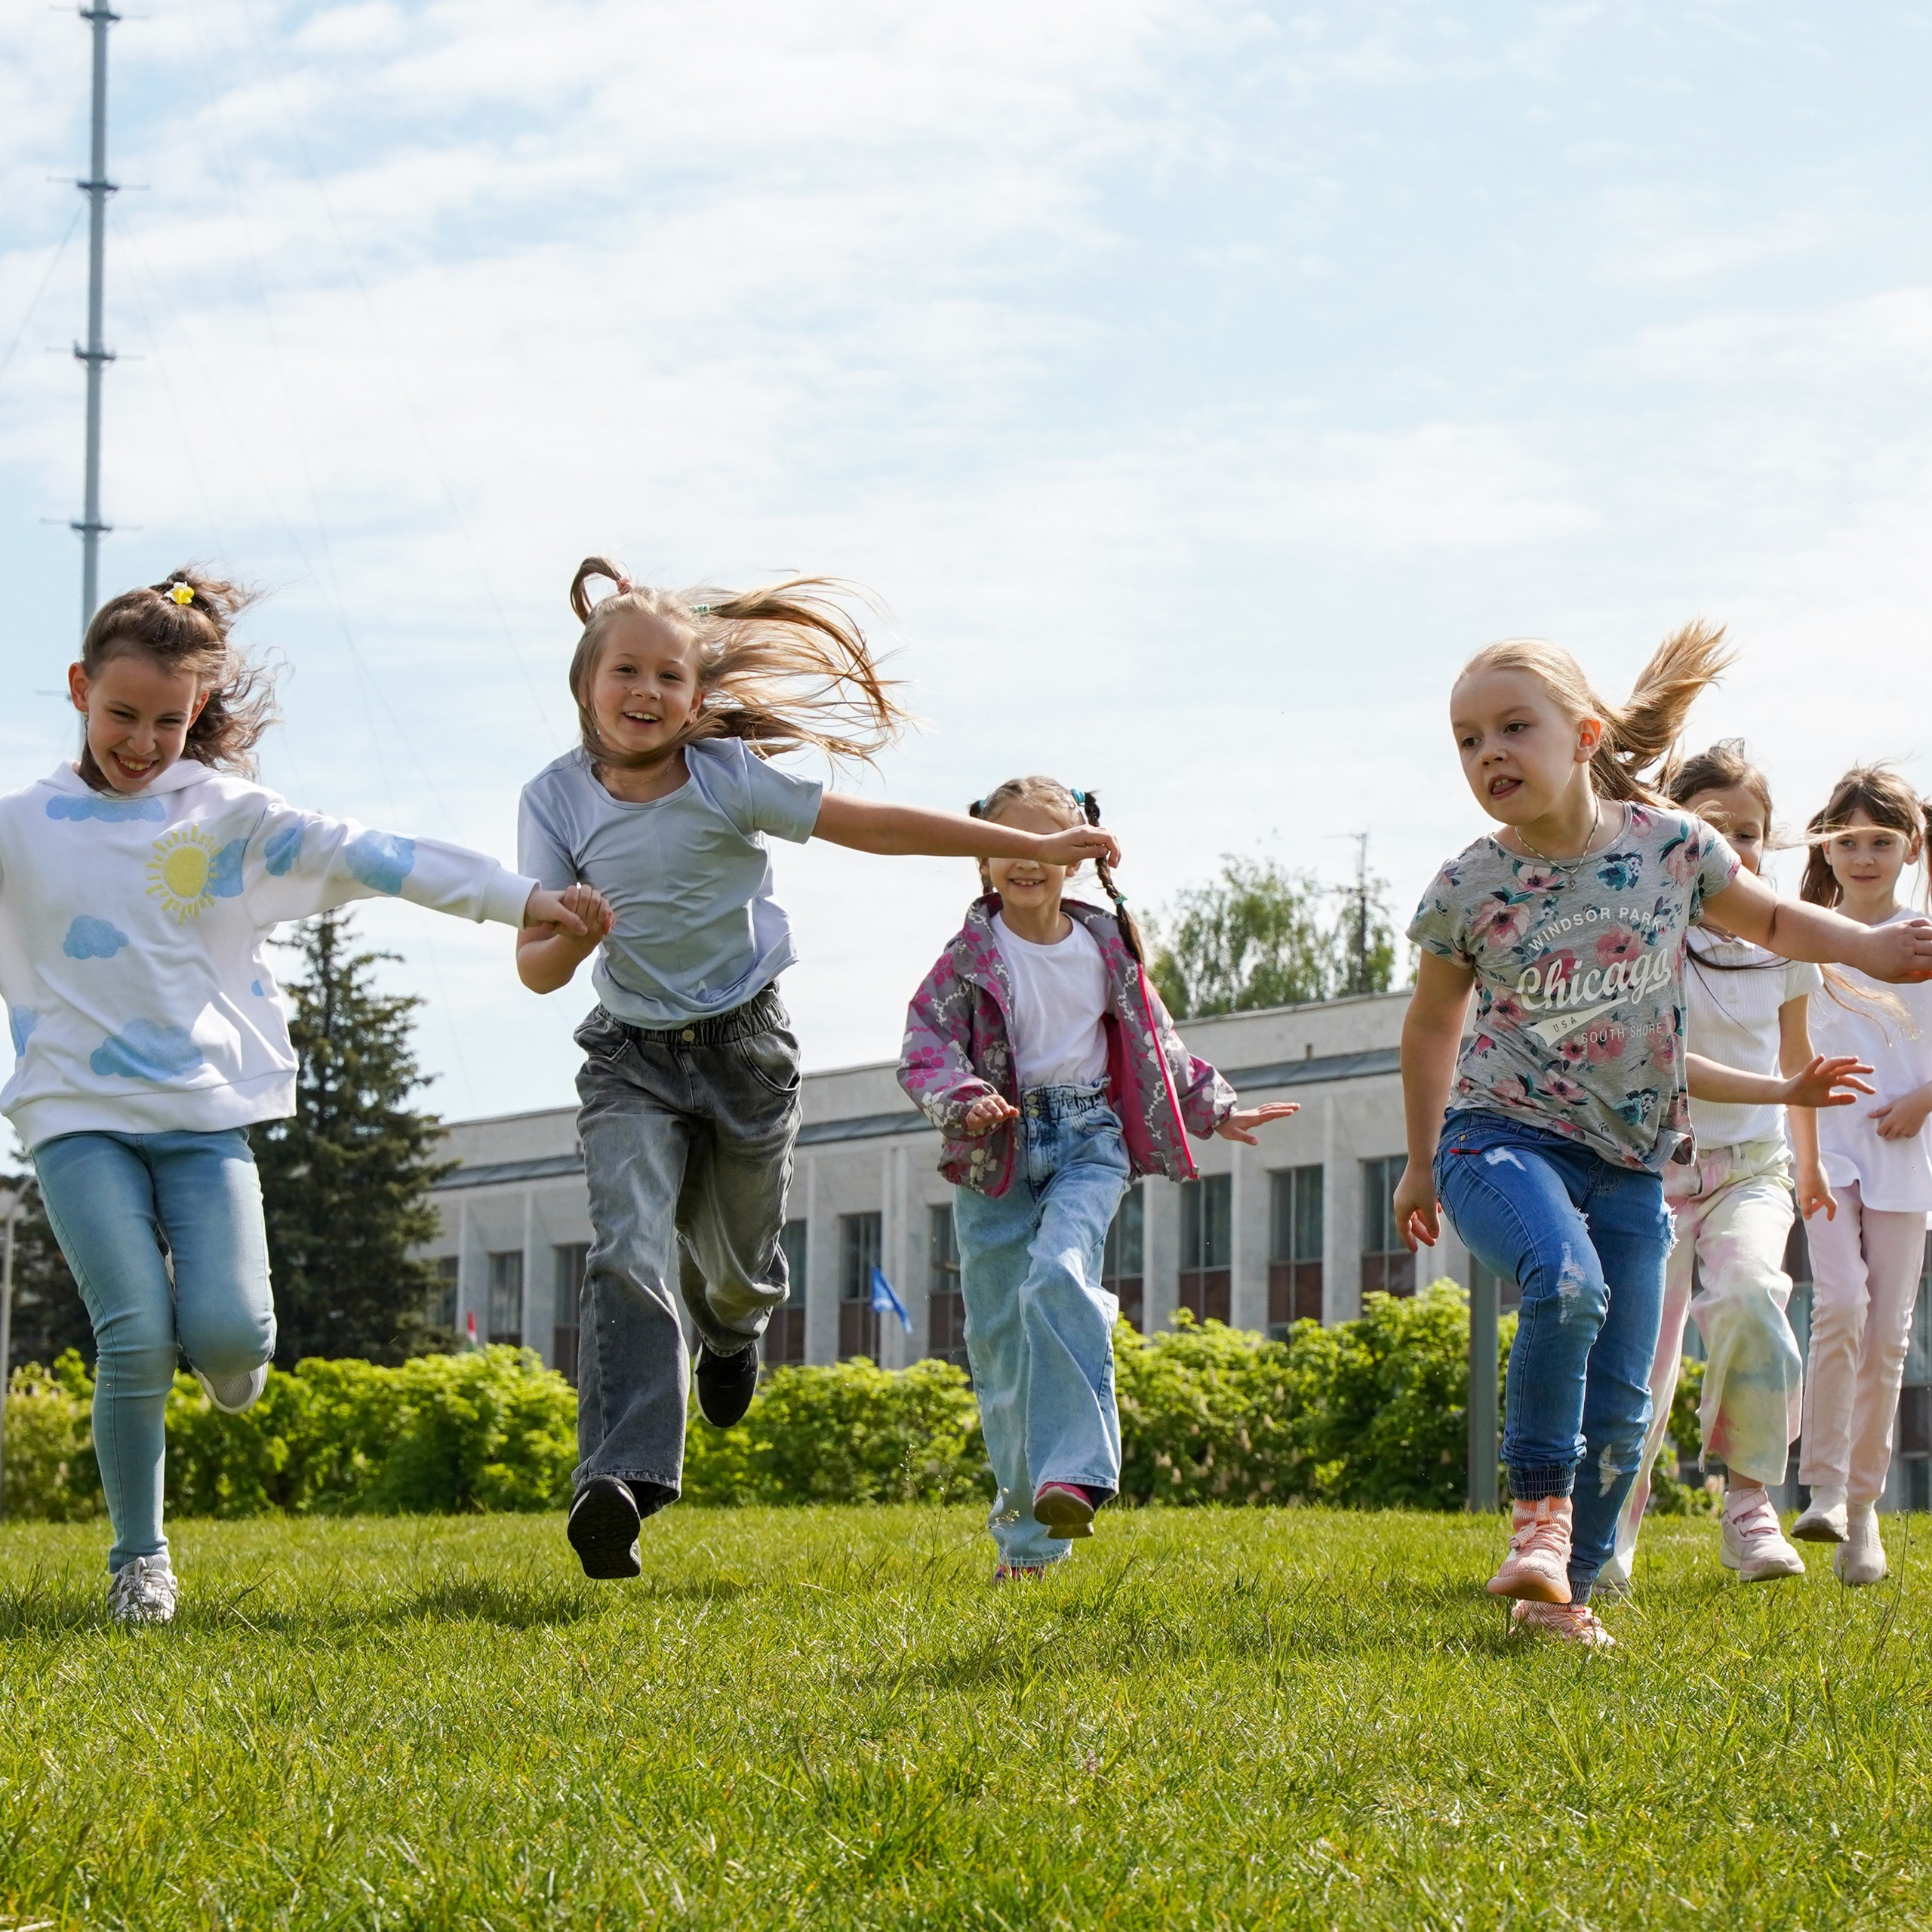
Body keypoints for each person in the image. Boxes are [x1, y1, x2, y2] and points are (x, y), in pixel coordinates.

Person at [2, 569, 598, 1626]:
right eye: (121, 716)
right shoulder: (22, 826)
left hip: (203, 1112)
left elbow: (381, 858)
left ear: (200, 715)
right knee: (135, 1335)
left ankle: (228, 1363)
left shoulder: (228, 817)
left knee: (232, 1338)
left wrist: (530, 900)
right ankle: (140, 1562)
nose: (142, 742)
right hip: (73, 1114)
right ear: (78, 689)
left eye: (169, 722)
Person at [518, 563, 1124, 1582]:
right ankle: (617, 1484)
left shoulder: (727, 777)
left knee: (737, 1267)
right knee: (627, 1245)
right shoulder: (553, 799)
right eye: (628, 670)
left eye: (671, 677)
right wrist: (570, 940)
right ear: (586, 685)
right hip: (629, 1059)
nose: (647, 692)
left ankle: (734, 1332)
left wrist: (1027, 840)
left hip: (744, 1050)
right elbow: (535, 971)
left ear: (697, 699)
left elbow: (876, 830)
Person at [1395, 625, 1932, 1647]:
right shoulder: (1468, 885)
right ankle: (1540, 1521)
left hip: (1634, 1163)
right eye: (1467, 741)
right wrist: (1421, 1161)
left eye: (1515, 728)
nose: (1489, 755)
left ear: (1585, 736)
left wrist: (1867, 942)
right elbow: (1430, 1024)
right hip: (1496, 1139)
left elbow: (1774, 925)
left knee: (1626, 1403)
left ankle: (1564, 1602)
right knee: (1568, 1282)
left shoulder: (1669, 848)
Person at [897, 776, 1299, 1580]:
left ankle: (1077, 1470)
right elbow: (923, 1047)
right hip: (996, 1153)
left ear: (1075, 856)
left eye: (1044, 843)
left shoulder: (1105, 945)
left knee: (1058, 1275)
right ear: (981, 860)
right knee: (1003, 1354)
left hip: (1089, 1140)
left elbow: (1158, 1044)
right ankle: (1027, 1548)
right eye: (1007, 845)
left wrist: (1215, 1108)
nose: (1026, 860)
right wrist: (964, 1096)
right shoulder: (965, 961)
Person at [1604, 742, 1874, 1591]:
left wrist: (1812, 1166)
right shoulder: (1648, 939)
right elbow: (1666, 1062)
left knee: (1757, 1299)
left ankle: (1748, 1503)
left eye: (1751, 832)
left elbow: (1797, 1066)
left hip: (1752, 1169)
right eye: (1716, 829)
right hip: (1651, 1171)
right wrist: (1783, 1085)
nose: (1738, 849)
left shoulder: (1785, 945)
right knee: (1639, 1361)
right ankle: (1608, 1534)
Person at [1789, 767, 1932, 1584]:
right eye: (1849, 841)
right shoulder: (1804, 935)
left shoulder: (1922, 935)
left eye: (1882, 840)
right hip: (1826, 1152)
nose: (1865, 855)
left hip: (1903, 1156)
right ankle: (1823, 1487)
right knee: (1838, 1300)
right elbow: (1788, 1049)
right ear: (1826, 847)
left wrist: (1920, 1099)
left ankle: (1864, 1512)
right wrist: (1801, 1156)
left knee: (1888, 1334)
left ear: (1908, 846)